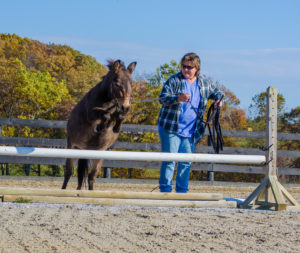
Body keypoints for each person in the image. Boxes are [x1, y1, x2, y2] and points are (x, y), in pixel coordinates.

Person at [158, 52, 224, 193]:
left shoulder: (204, 83)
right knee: (170, 160)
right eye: (184, 66)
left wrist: (219, 100)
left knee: (186, 162)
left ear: (196, 68)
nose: (186, 69)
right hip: (171, 127)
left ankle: (182, 191)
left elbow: (217, 93)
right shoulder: (174, 80)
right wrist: (178, 98)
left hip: (191, 130)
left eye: (190, 67)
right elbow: (162, 98)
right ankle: (165, 191)